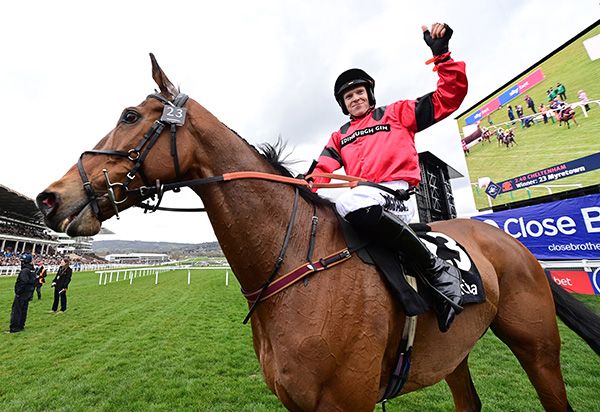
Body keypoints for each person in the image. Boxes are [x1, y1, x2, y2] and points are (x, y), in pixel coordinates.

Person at [308, 23, 468, 332]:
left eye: (359, 92)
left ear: (369, 94)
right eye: (349, 96)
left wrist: (442, 56)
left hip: (396, 195)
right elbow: (320, 174)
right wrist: (300, 186)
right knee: (333, 208)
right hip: (367, 199)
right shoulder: (340, 135)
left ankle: (436, 269)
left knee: (348, 203)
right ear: (343, 104)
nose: (355, 98)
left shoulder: (397, 113)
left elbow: (449, 97)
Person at [8, 254, 36, 333]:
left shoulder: (25, 271)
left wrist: (18, 291)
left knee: (17, 311)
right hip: (28, 293)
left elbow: (23, 282)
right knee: (23, 310)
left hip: (22, 294)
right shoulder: (32, 270)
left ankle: (14, 328)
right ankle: (21, 326)